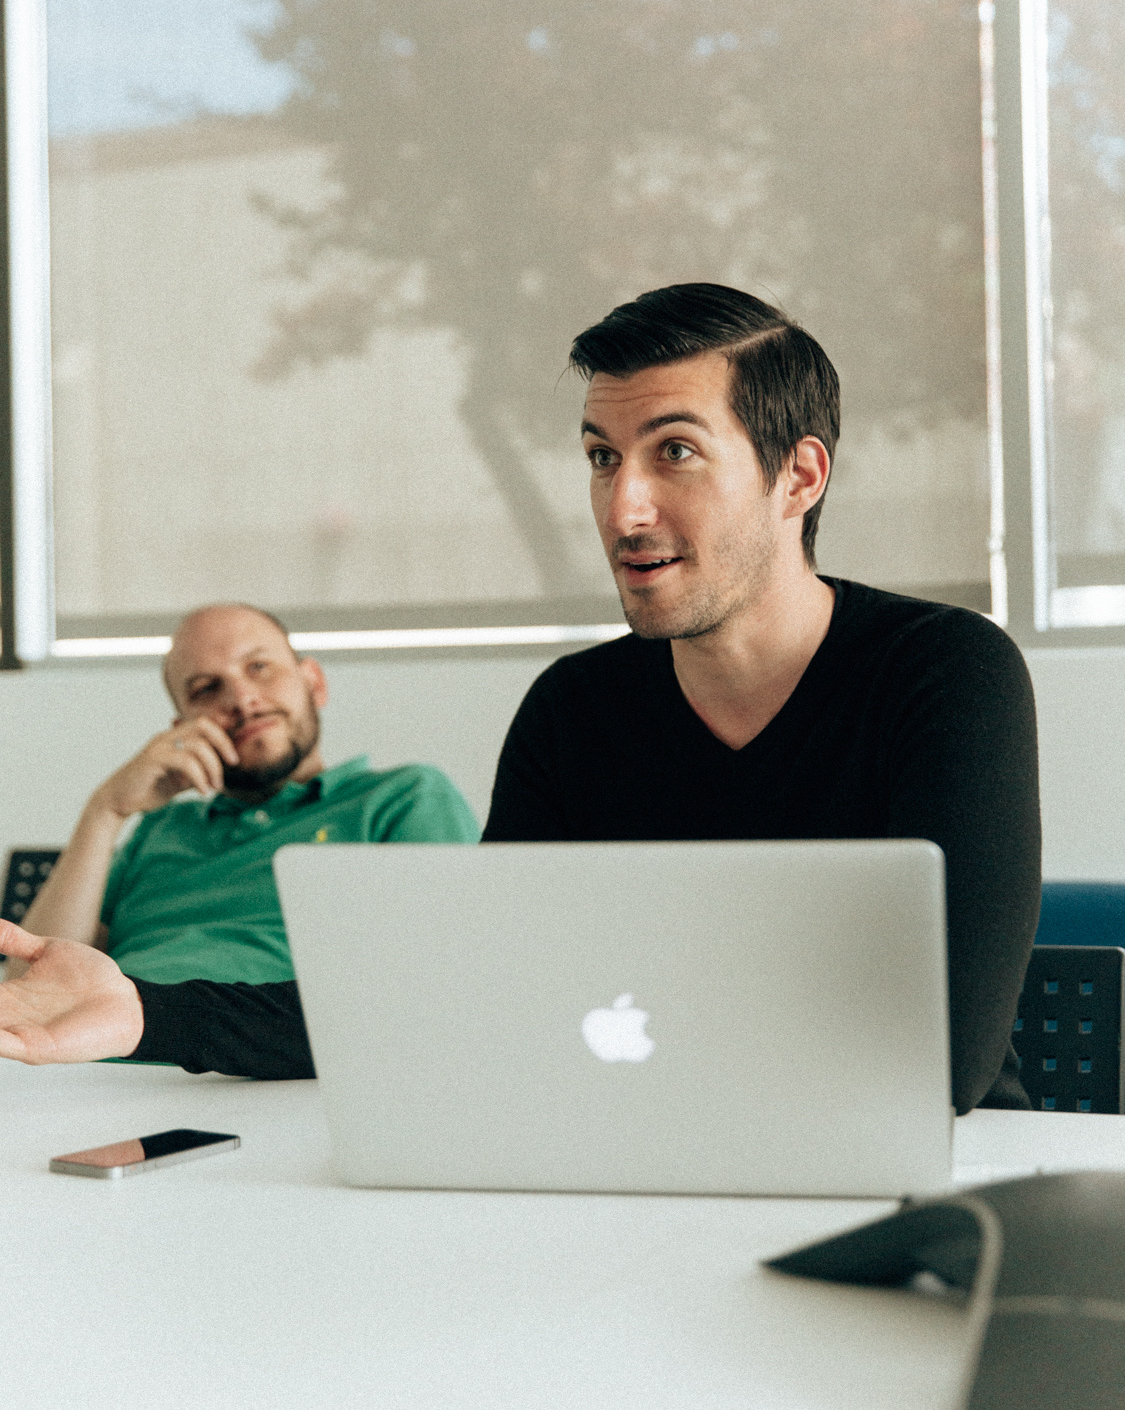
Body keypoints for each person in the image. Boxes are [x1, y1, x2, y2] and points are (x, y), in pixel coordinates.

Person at [0, 286, 1040, 1115]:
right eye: (601, 458)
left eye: (675, 451)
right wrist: (144, 1012)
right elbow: (462, 1000)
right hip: (641, 1150)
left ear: (798, 476)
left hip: (934, 1164)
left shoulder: (945, 674)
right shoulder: (573, 711)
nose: (623, 508)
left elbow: (943, 1056)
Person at [7, 603, 478, 989]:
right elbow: (32, 984)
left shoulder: (402, 798)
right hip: (101, 1056)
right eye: (206, 688)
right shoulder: (159, 830)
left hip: (269, 1058)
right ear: (183, 728)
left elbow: (455, 977)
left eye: (259, 667)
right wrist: (106, 810)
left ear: (313, 683)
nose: (241, 697)